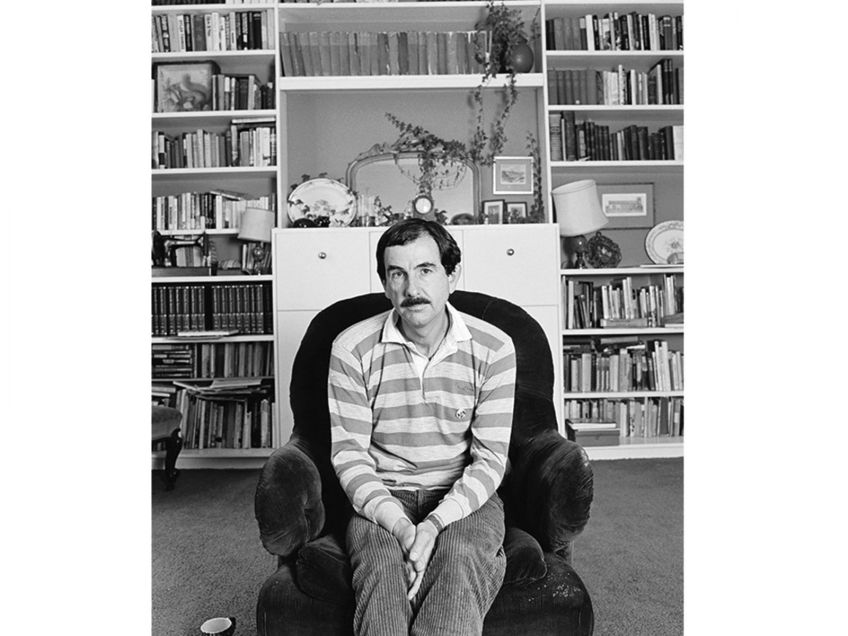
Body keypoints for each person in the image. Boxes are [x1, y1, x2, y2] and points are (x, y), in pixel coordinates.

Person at [328, 218, 517, 635]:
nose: (411, 288)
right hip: (382, 492)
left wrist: (433, 526)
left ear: (452, 275)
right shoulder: (351, 348)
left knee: (459, 559)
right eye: (397, 273)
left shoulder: (495, 348)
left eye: (425, 270)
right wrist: (400, 526)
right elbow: (349, 456)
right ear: (385, 284)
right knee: (381, 570)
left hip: (463, 494)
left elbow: (490, 460)